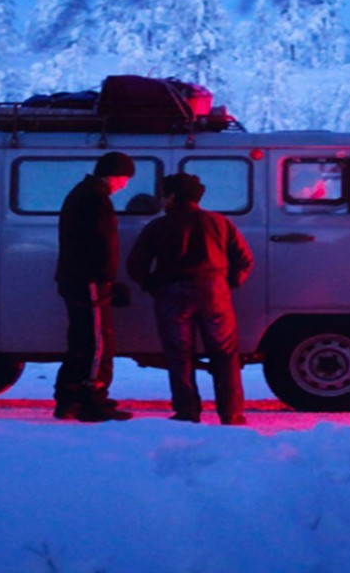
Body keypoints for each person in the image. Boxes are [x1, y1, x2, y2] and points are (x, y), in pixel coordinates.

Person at [127, 172, 254, 425]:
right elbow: (244, 259)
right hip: (214, 293)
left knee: (179, 355)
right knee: (225, 354)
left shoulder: (158, 227)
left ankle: (187, 411)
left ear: (172, 196)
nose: (162, 200)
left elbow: (136, 264)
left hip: (172, 296)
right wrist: (228, 283)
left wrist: (153, 286)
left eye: (164, 195)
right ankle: (231, 413)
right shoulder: (219, 222)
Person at [53, 151, 136, 422]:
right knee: (98, 340)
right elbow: (101, 244)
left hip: (75, 278)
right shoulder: (96, 199)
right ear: (114, 175)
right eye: (125, 178)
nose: (125, 185)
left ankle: (68, 398)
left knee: (80, 338)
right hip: (90, 281)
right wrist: (106, 279)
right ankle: (93, 398)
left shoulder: (81, 194)